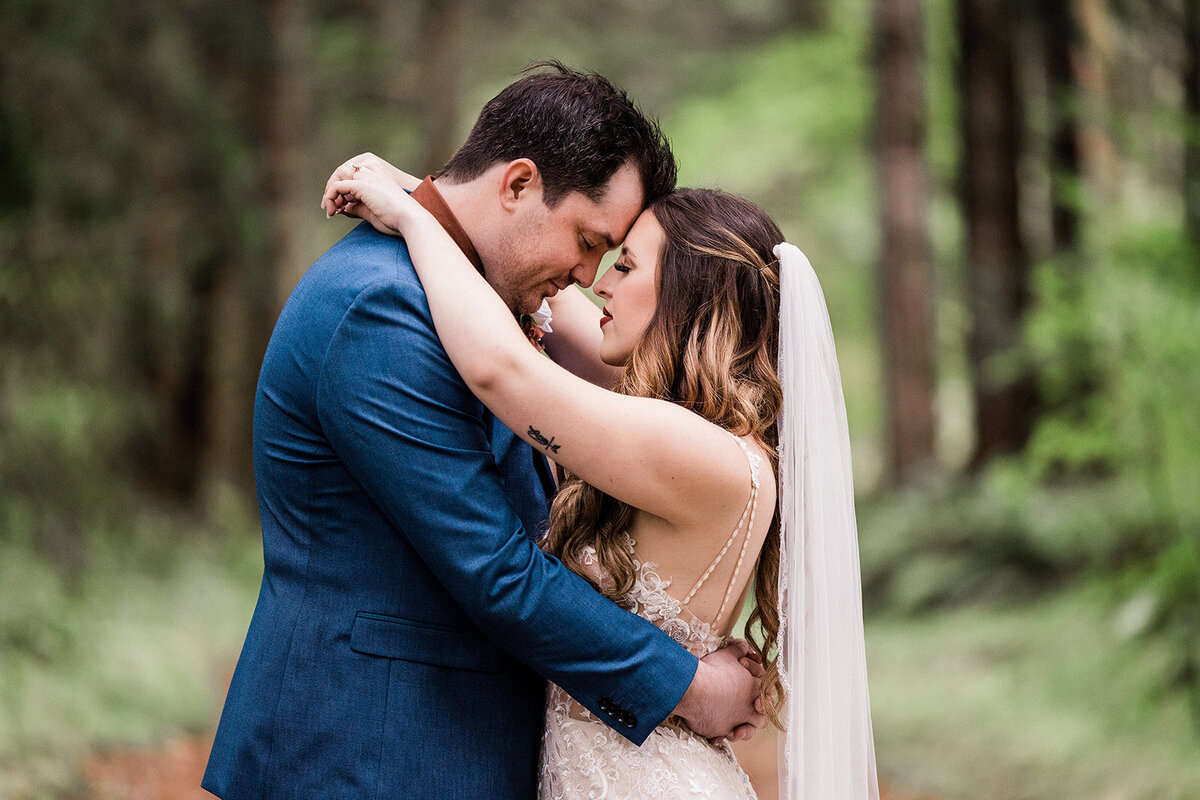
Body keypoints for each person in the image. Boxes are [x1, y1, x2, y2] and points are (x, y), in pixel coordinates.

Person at [202, 64, 766, 800]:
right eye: (591, 241)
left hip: (437, 748)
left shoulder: (473, 301)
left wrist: (416, 204)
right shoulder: (380, 308)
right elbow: (494, 569)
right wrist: (687, 688)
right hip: (368, 751)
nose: (590, 277)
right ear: (519, 185)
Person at [325, 158, 881, 798]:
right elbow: (544, 290)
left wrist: (413, 218)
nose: (597, 283)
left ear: (684, 295)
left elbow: (500, 371)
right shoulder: (710, 437)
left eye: (625, 264)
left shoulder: (693, 447)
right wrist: (442, 199)